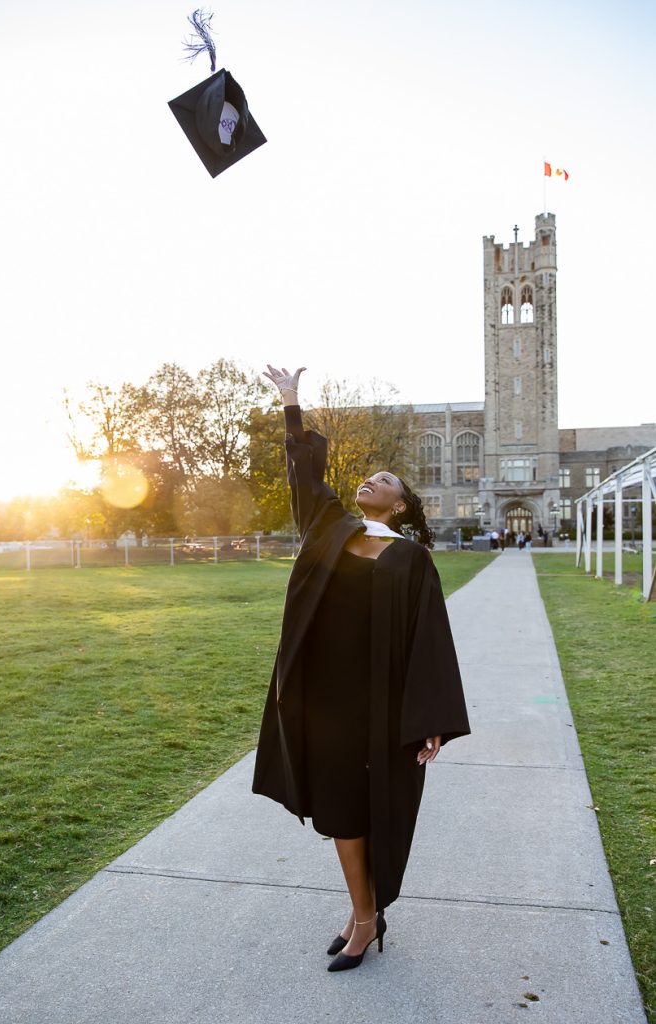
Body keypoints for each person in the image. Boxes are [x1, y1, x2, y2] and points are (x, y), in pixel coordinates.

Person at [252, 365, 470, 973]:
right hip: (324, 699)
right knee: (341, 810)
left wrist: (432, 717)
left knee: (369, 809)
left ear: (399, 505)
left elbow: (430, 638)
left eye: (387, 480)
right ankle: (365, 913)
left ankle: (364, 916)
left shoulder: (410, 559)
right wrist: (291, 404)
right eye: (370, 475)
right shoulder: (328, 527)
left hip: (379, 702)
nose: (372, 479)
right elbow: (303, 473)